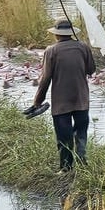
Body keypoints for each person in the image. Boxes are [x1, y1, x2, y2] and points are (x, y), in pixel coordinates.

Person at [31, 17, 96, 173]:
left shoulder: (51, 51)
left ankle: (66, 168)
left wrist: (37, 101)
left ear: (56, 34)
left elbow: (45, 78)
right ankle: (82, 162)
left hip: (61, 102)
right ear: (71, 32)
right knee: (81, 132)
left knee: (64, 136)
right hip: (81, 99)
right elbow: (91, 70)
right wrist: (83, 50)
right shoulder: (83, 47)